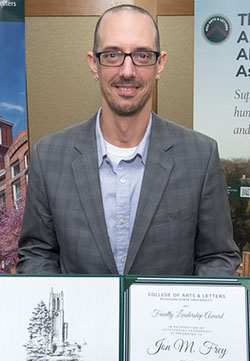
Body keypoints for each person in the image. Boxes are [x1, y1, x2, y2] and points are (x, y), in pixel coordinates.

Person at [17, 4, 241, 275]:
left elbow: (217, 257)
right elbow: (37, 253)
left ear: (160, 64)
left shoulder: (200, 156)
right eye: (112, 54)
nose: (127, 71)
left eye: (142, 55)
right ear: (93, 63)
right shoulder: (49, 156)